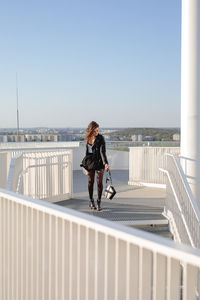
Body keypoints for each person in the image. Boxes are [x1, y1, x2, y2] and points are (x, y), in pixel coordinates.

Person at [84, 121, 109, 211]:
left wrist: (105, 163)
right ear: (91, 130)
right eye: (95, 131)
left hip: (99, 162)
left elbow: (103, 152)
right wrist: (85, 164)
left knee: (99, 183)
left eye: (98, 130)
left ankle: (98, 202)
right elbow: (87, 152)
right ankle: (91, 201)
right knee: (90, 182)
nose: (97, 132)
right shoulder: (88, 138)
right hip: (90, 162)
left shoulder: (100, 138)